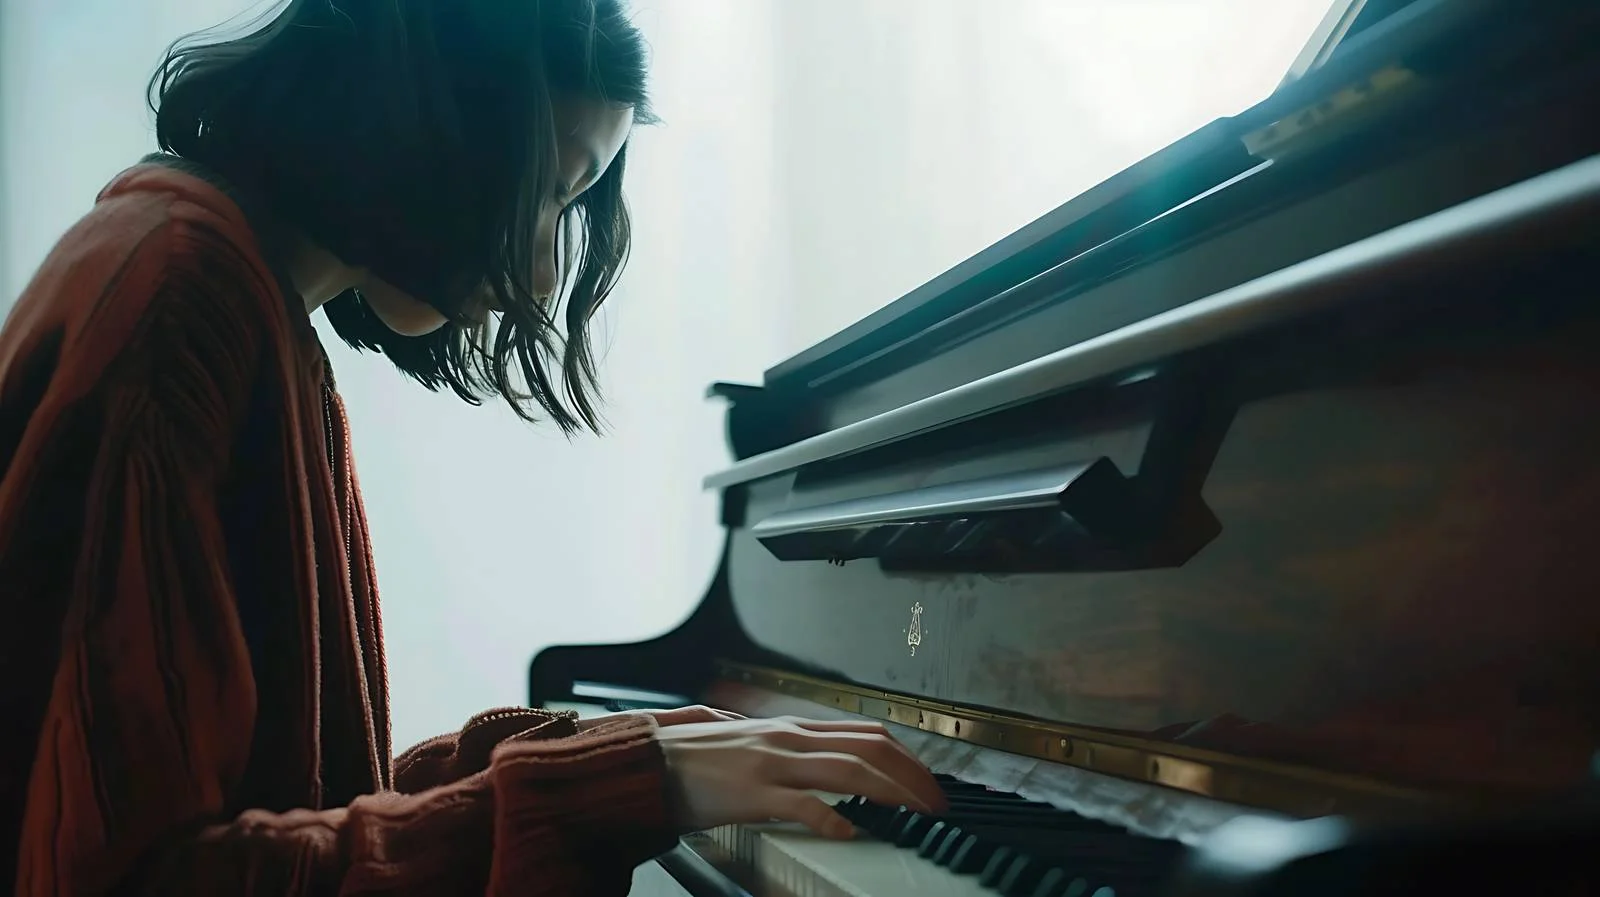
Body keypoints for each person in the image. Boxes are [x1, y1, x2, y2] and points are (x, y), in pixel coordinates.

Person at [0, 0, 947, 894]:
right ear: (425, 113)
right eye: (547, 186)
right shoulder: (179, 296)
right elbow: (131, 877)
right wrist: (597, 790)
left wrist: (587, 759)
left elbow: (301, 808)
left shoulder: (246, 305)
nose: (541, 272)